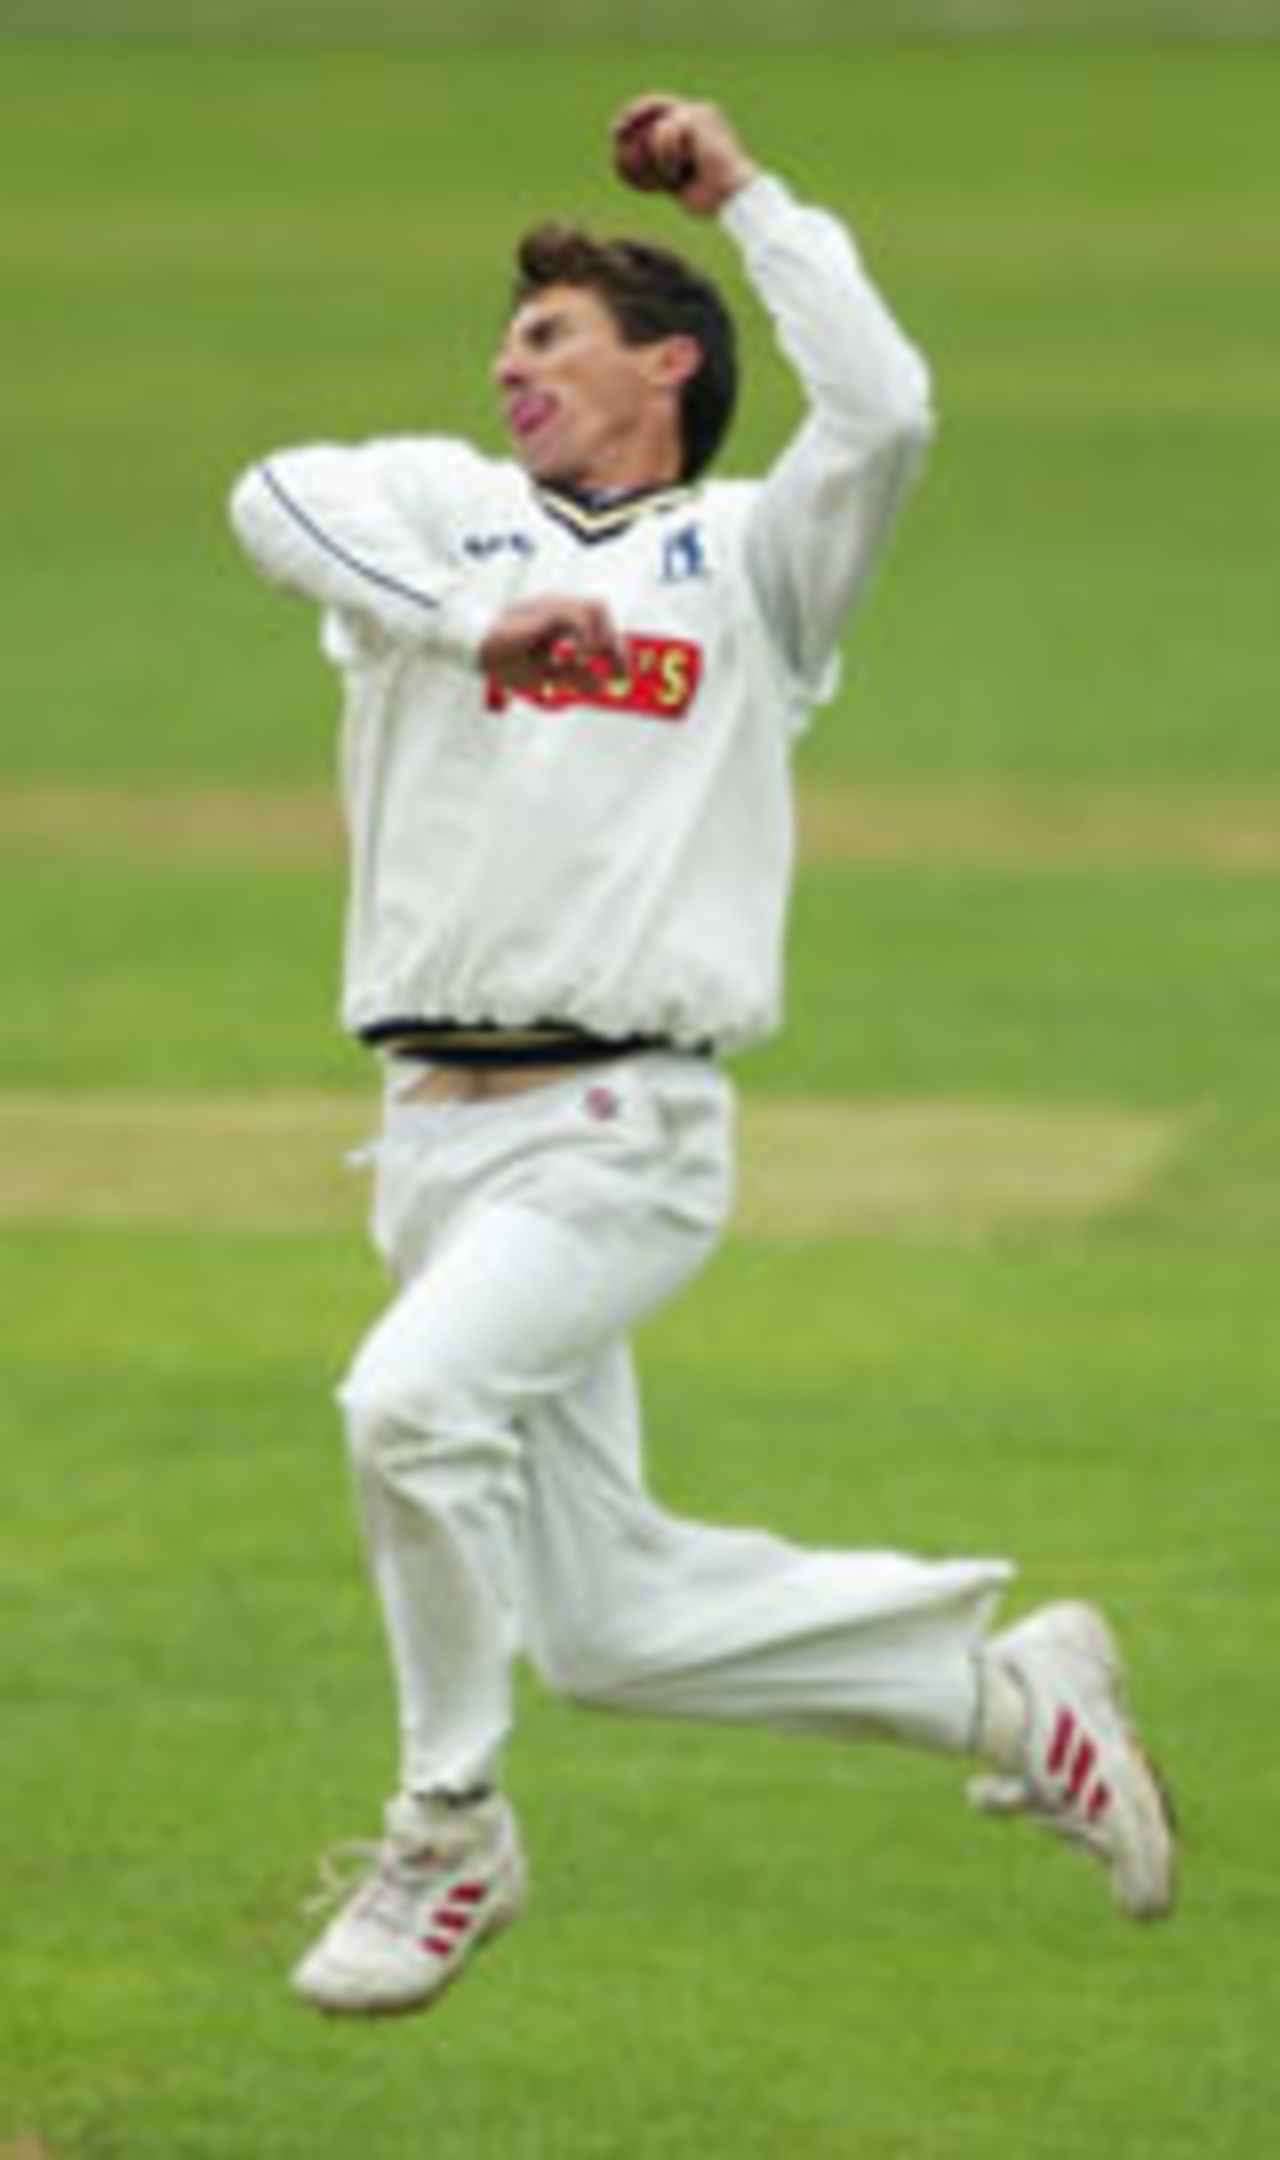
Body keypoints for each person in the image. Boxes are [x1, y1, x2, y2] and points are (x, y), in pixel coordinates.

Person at [229, 92, 1175, 2019]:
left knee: (403, 1410)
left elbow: (893, 411)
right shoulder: (445, 515)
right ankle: (1013, 1699)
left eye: (553, 335)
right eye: (504, 341)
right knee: (606, 1628)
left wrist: (746, 196)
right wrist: (475, 624)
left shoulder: (754, 566)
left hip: (617, 1131)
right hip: (426, 1139)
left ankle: (447, 1831)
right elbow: (266, 497)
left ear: (667, 363)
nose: (511, 364)